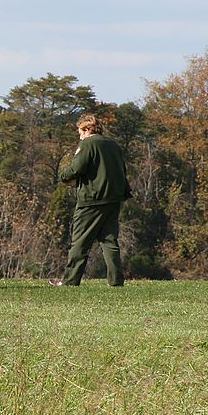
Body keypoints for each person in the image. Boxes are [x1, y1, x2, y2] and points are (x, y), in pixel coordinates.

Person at [50, 114, 132, 287]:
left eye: (80, 131)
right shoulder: (113, 145)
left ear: (87, 130)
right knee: (109, 241)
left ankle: (70, 280)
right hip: (113, 199)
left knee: (80, 242)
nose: (79, 136)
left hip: (91, 200)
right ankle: (116, 281)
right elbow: (122, 170)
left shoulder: (88, 144)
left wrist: (63, 176)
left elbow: (77, 168)